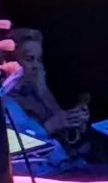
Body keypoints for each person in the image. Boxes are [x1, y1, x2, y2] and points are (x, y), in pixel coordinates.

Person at [7, 28, 90, 156]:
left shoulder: (38, 88)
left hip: (67, 159)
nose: (36, 66)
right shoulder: (4, 101)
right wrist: (52, 125)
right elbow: (18, 149)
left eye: (39, 59)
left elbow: (64, 133)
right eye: (29, 59)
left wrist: (75, 120)